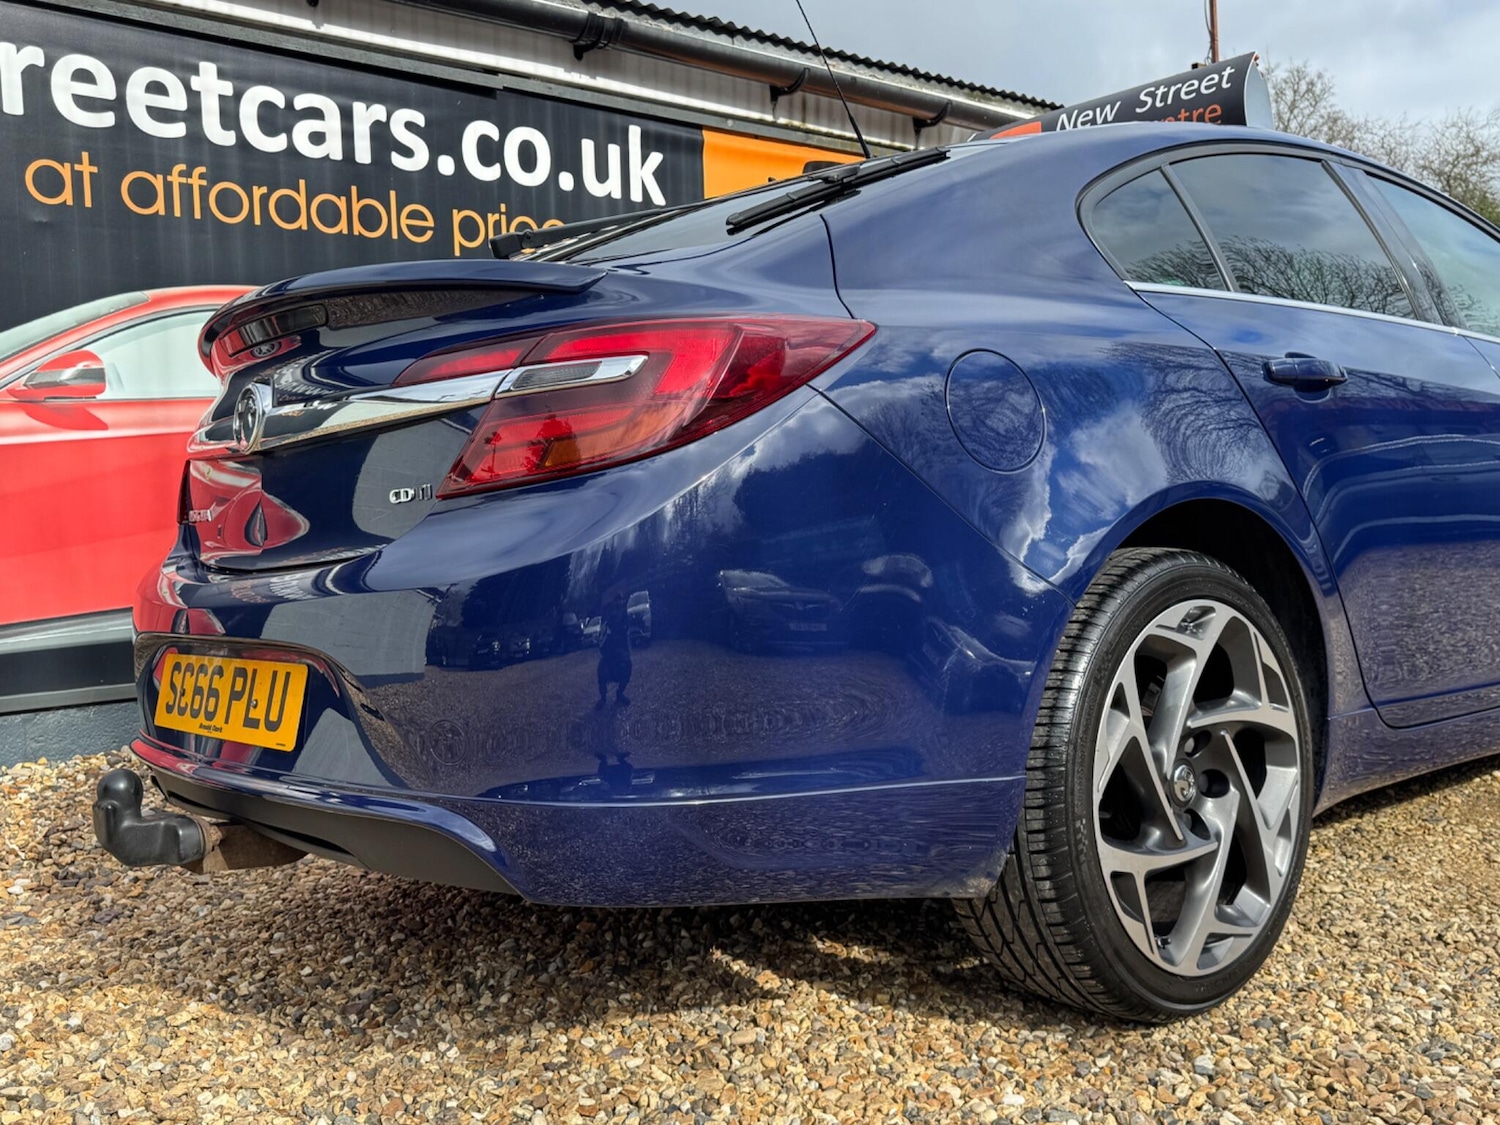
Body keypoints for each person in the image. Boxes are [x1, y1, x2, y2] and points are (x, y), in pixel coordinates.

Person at [595, 592, 633, 708]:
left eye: (621, 600)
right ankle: (603, 698)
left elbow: (625, 629)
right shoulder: (610, 614)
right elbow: (605, 629)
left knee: (626, 668)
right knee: (602, 670)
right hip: (610, 648)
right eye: (618, 600)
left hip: (621, 648)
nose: (619, 602)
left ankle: (620, 693)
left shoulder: (624, 614)